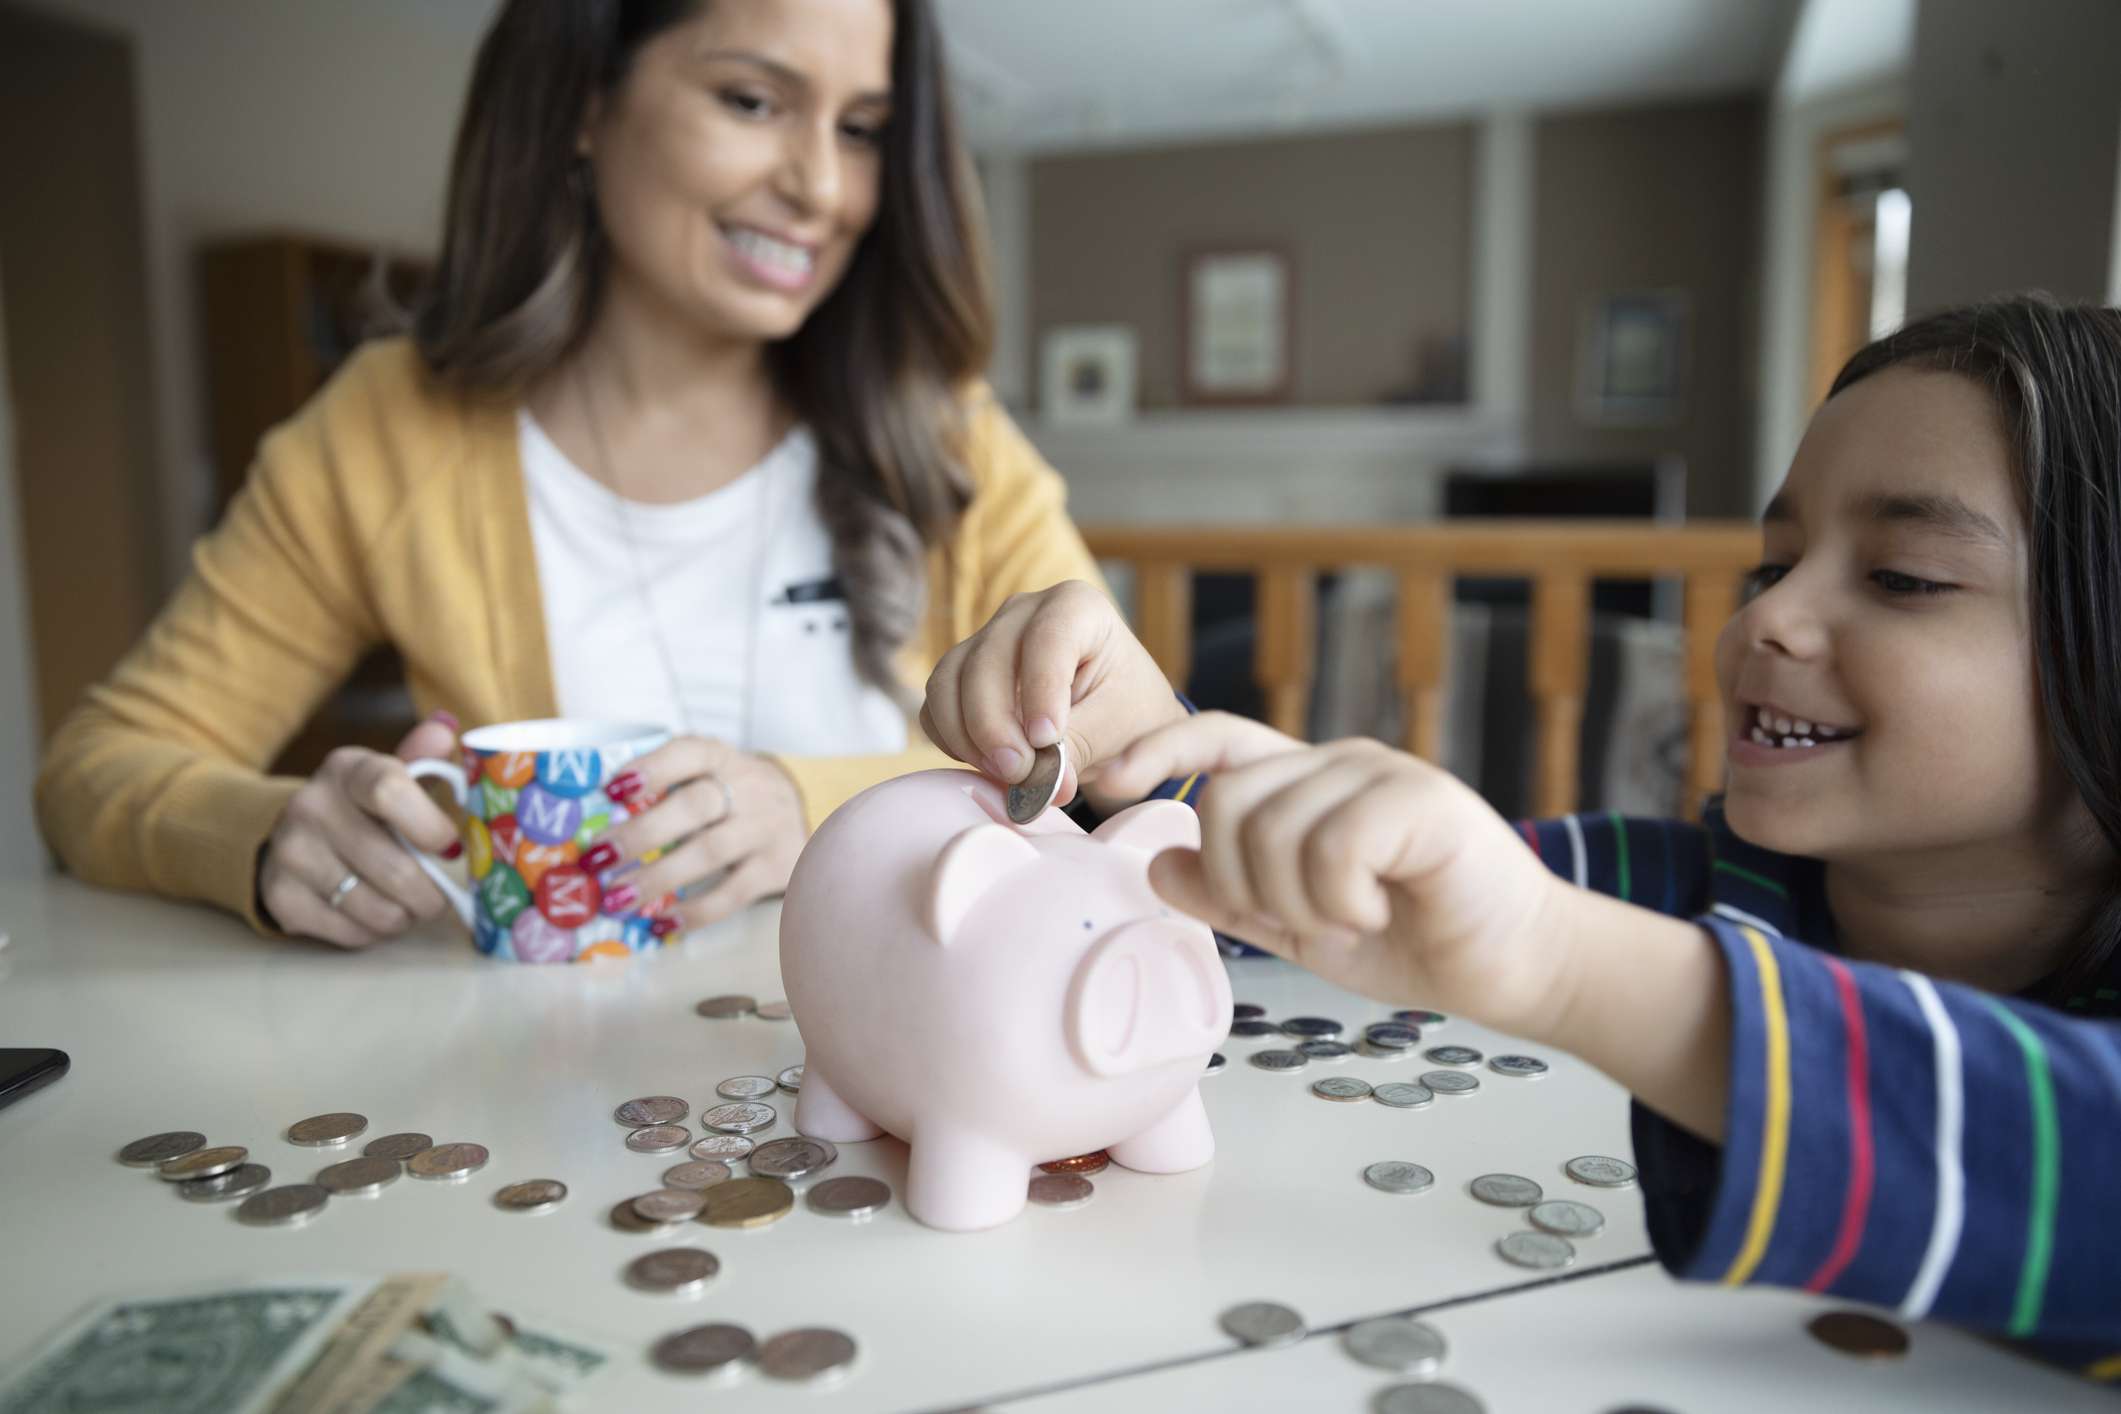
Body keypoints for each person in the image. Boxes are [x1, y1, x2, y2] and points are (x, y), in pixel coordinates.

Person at [925, 297, 2121, 1369]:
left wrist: (1560, 957)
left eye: (1905, 575)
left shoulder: (1612, 930)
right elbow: (1325, 914)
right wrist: (1147, 745)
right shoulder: (1686, 882)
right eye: (1775, 564)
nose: (1769, 617)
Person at [35, 0, 1102, 948]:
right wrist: (267, 833)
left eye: (861, 130)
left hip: (911, 1082)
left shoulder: (942, 432)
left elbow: (1111, 740)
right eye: (751, 101)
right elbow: (96, 768)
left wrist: (809, 808)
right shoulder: (386, 429)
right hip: (552, 1109)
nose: (821, 186)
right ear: (585, 104)